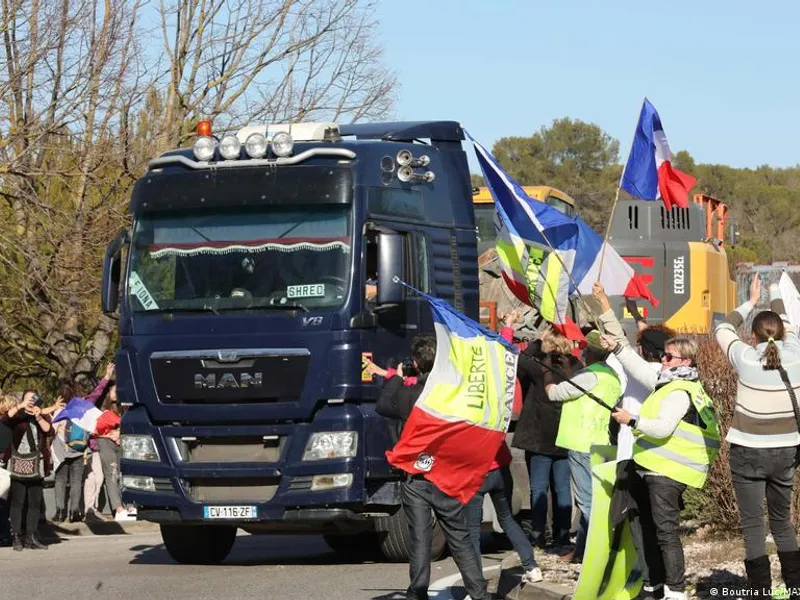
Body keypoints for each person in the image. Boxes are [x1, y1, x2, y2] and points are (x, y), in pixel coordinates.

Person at [601, 333, 719, 600]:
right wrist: (618, 347)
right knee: (647, 529)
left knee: (666, 533)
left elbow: (663, 428)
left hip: (666, 472)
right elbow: (638, 366)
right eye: (663, 355)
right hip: (649, 467)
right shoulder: (668, 382)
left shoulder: (679, 392)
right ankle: (653, 585)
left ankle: (675, 591)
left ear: (685, 361)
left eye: (668, 357)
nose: (662, 361)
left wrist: (631, 420)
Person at [376, 335, 491, 600]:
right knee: (460, 537)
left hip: (417, 473)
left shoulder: (409, 394)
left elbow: (384, 405)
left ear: (415, 364)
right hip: (446, 473)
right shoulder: (453, 393)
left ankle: (418, 591)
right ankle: (478, 592)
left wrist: (396, 376)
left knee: (419, 537)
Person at [715, 274, 800, 597]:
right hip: (786, 452)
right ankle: (796, 589)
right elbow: (788, 323)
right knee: (783, 523)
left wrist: (751, 301)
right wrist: (777, 292)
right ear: (781, 332)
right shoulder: (796, 353)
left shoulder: (746, 358)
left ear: (752, 336)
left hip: (748, 452)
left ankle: (760, 592)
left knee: (753, 526)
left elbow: (722, 328)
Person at [545, 332, 621, 564]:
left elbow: (556, 393)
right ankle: (581, 551)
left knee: (587, 502)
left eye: (586, 348)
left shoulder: (589, 376)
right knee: (594, 500)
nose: (583, 352)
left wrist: (547, 373)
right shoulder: (612, 376)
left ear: (592, 352)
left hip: (581, 442)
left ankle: (598, 554)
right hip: (601, 442)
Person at [510, 320, 577, 554]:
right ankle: (563, 535)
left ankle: (538, 535)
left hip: (538, 436)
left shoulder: (538, 367)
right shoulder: (575, 368)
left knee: (538, 487)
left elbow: (518, 359)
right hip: (565, 436)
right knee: (562, 488)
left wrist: (537, 340)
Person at [2, 390, 54, 551]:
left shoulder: (42, 416)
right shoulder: (18, 416)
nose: (31, 402)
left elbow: (48, 431)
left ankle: (31, 536)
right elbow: (5, 419)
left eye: (34, 399)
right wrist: (22, 406)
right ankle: (17, 536)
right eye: (28, 399)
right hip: (18, 462)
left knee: (34, 502)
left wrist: (38, 416)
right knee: (18, 502)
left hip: (37, 463)